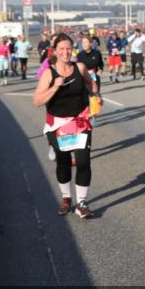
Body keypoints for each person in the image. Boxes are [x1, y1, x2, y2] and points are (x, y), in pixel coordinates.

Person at [32, 33, 99, 219]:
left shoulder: (80, 67)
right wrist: (54, 87)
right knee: (63, 164)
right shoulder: (49, 73)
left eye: (68, 48)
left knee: (84, 162)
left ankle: (82, 204)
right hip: (58, 125)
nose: (65, 52)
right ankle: (66, 198)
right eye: (61, 49)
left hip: (79, 121)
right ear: (55, 51)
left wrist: (95, 95)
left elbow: (90, 83)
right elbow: (37, 101)